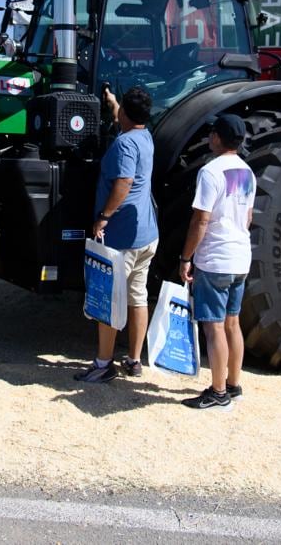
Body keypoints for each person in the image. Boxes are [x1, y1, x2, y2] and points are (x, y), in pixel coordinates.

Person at [75, 85, 159, 383]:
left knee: (107, 299)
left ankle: (103, 363)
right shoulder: (144, 136)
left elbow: (123, 182)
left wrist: (103, 217)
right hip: (146, 234)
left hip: (121, 236)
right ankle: (134, 360)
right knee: (138, 297)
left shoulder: (124, 145)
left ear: (126, 113)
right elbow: (126, 119)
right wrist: (113, 102)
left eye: (120, 107)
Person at [178, 114, 256, 410]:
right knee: (232, 323)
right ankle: (234, 383)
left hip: (215, 258)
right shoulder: (247, 172)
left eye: (212, 132)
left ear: (217, 138)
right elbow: (248, 216)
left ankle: (218, 391)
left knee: (213, 328)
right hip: (240, 256)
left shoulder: (211, 172)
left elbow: (200, 220)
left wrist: (186, 257)